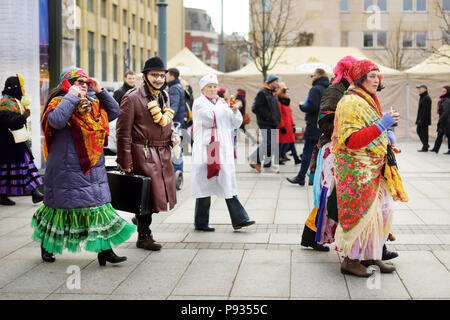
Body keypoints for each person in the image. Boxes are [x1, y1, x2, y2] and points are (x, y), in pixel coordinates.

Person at [31, 67, 135, 265]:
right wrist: (71, 97)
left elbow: (114, 112)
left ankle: (105, 251)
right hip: (65, 167)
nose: (84, 85)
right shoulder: (58, 102)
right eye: (79, 81)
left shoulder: (92, 102)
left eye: (86, 82)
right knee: (58, 209)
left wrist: (100, 91)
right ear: (67, 83)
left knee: (99, 209)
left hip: (92, 166)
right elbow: (56, 121)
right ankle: (47, 246)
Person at [331, 60, 408, 277]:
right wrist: (381, 125)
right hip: (357, 171)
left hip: (375, 168)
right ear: (360, 78)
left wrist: (386, 130)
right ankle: (351, 260)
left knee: (380, 214)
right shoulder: (350, 102)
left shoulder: (368, 100)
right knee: (360, 215)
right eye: (371, 76)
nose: (377, 80)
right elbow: (352, 141)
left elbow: (372, 131)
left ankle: (372, 255)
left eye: (378, 75)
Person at [117, 56, 180, 251]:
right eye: (154, 75)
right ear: (145, 76)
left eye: (162, 75)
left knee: (158, 198)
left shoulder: (164, 95)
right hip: (141, 152)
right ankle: (144, 235)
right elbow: (122, 132)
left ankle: (141, 219)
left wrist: (174, 135)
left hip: (162, 151)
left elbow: (166, 123)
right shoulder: (132, 97)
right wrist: (125, 161)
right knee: (147, 196)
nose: (159, 79)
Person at [300, 56, 358, 251]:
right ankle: (313, 235)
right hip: (334, 147)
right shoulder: (334, 90)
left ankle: (311, 236)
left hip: (348, 147)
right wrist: (348, 128)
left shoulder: (354, 89)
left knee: (333, 195)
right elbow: (324, 120)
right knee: (328, 194)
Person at [191, 74, 255, 232]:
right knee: (205, 185)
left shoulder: (220, 102)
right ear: (203, 89)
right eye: (209, 87)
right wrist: (223, 106)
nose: (213, 89)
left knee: (226, 181)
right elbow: (209, 118)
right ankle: (202, 222)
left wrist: (234, 112)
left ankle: (239, 219)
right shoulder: (199, 103)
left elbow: (235, 123)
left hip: (223, 147)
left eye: (215, 86)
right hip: (207, 149)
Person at [0, 74, 44, 206]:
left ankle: (35, 192)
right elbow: (8, 123)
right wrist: (23, 117)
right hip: (9, 145)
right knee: (9, 171)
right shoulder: (6, 103)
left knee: (25, 167)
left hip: (16, 143)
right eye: (20, 87)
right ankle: (4, 195)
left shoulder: (14, 101)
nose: (22, 90)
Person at [287, 68, 329, 186]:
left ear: (318, 75)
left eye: (312, 75)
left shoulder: (315, 89)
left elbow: (311, 106)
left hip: (313, 125)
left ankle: (301, 177)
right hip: (325, 125)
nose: (312, 77)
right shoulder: (329, 88)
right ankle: (318, 179)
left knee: (307, 151)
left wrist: (302, 106)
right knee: (322, 152)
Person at [249, 74, 281, 173]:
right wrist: (268, 116)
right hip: (265, 122)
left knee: (271, 144)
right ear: (270, 82)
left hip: (273, 122)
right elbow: (255, 108)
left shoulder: (273, 93)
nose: (277, 83)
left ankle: (265, 164)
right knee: (268, 143)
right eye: (275, 81)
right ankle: (256, 159)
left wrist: (277, 119)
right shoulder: (262, 93)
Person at [167, 68, 186, 189]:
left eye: (166, 75)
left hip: (176, 123)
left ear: (172, 76)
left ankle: (177, 173)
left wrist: (167, 117)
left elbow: (173, 106)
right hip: (180, 122)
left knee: (176, 148)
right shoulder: (179, 86)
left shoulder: (173, 88)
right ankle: (178, 172)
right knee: (177, 149)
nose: (165, 77)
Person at [277, 86, 300, 165]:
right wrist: (281, 126)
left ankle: (296, 158)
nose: (288, 94)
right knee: (280, 143)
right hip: (283, 127)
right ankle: (279, 157)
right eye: (287, 92)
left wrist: (293, 125)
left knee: (292, 142)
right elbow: (279, 115)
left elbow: (290, 115)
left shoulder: (287, 102)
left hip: (289, 126)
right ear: (282, 93)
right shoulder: (279, 102)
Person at [431, 86, 450, 154]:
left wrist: (440, 120)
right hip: (443, 121)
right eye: (442, 91)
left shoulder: (447, 100)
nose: (442, 92)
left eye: (444, 91)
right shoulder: (443, 100)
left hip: (446, 121)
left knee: (448, 135)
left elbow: (446, 112)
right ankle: (436, 148)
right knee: (440, 134)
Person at [416, 84, 432, 152]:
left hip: (424, 120)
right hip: (421, 119)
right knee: (419, 131)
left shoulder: (426, 98)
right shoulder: (422, 97)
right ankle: (425, 145)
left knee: (424, 133)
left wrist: (421, 120)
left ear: (425, 89)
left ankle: (425, 146)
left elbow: (426, 111)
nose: (419, 90)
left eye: (420, 88)